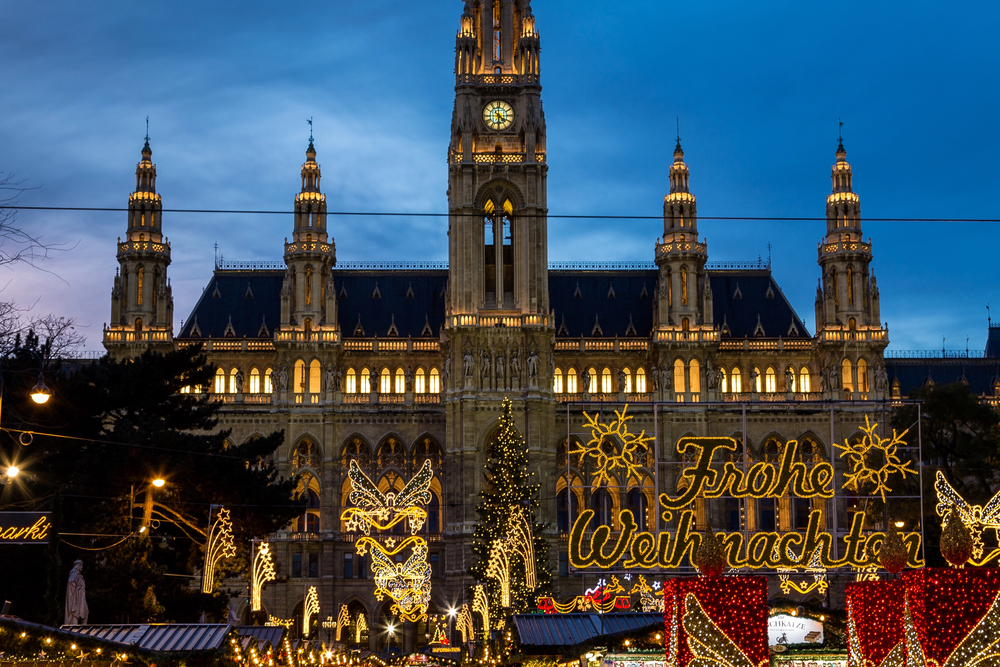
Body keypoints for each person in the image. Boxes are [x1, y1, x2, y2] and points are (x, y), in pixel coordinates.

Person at [65, 560, 89, 625]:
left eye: (82, 565)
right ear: (77, 566)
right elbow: (71, 582)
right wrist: (77, 589)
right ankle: (75, 629)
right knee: (76, 613)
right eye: (80, 565)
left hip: (81, 597)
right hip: (77, 598)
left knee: (86, 612)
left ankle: (83, 630)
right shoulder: (74, 574)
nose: (81, 567)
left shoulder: (78, 575)